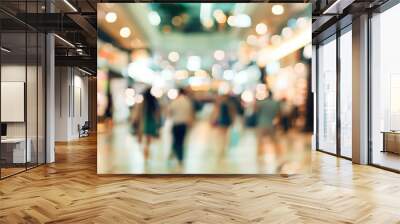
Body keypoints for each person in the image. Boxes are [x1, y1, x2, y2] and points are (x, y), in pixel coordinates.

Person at [132, 88, 161, 160]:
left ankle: (145, 151)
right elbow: (157, 114)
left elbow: (137, 113)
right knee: (148, 139)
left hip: (143, 122)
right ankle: (146, 150)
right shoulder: (154, 102)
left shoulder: (142, 103)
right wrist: (158, 124)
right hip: (151, 122)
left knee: (142, 139)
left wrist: (134, 121)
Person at [167, 88, 194, 164]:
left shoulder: (175, 101)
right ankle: (180, 157)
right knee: (181, 141)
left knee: (175, 140)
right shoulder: (187, 102)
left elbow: (169, 113)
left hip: (176, 124)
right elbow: (191, 113)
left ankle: (174, 154)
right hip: (184, 124)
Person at [255, 91, 281, 157]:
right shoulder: (275, 103)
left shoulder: (262, 103)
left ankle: (259, 154)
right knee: (274, 140)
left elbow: (256, 109)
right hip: (270, 124)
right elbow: (278, 113)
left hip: (261, 123)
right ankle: (278, 154)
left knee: (260, 141)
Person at [211, 94, 236, 158]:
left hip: (222, 120)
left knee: (221, 135)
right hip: (226, 120)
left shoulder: (220, 104)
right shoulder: (229, 104)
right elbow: (232, 113)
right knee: (224, 135)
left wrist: (213, 119)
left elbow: (217, 113)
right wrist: (233, 121)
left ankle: (221, 148)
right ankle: (223, 148)